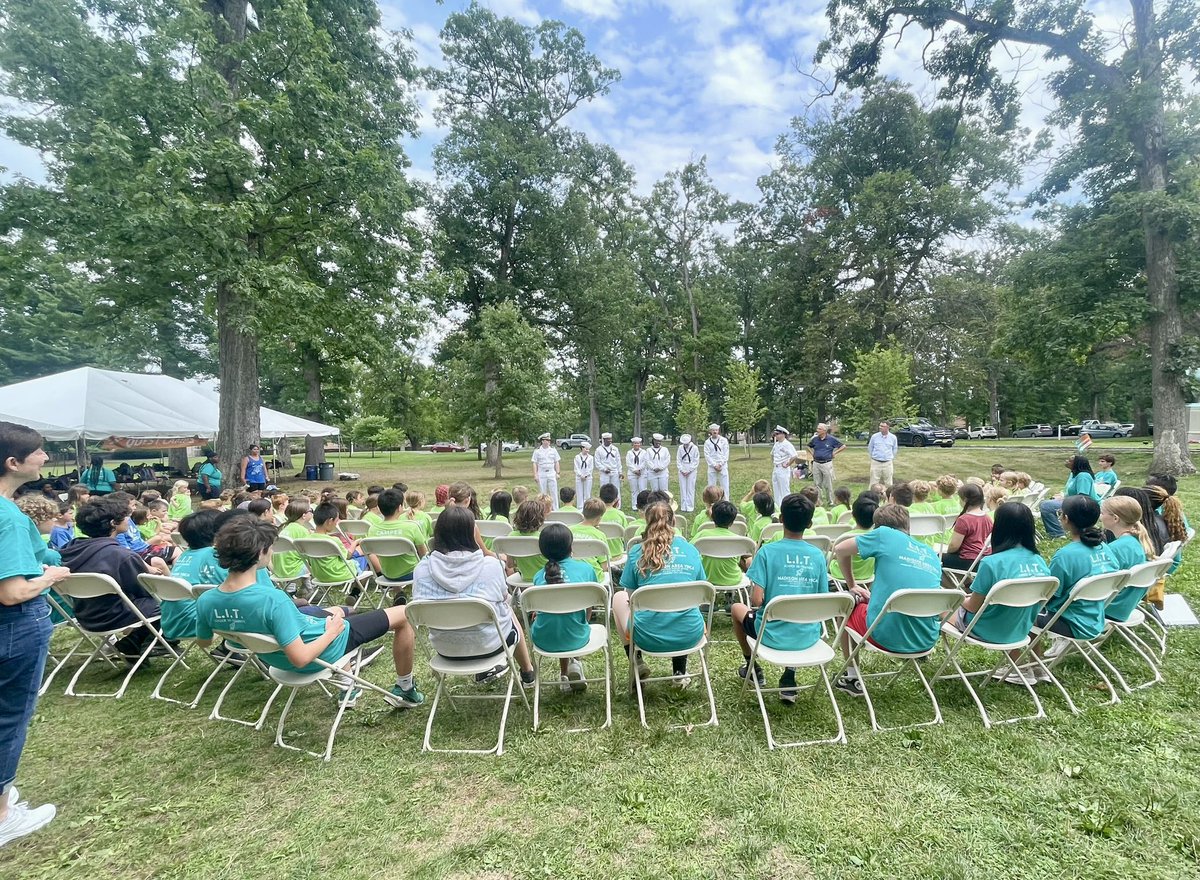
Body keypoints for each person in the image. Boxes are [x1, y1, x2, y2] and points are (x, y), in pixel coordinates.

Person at [195, 516, 424, 707]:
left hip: (277, 659)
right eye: (270, 547)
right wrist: (331, 632)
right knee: (403, 613)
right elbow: (301, 658)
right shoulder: (272, 600)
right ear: (259, 553)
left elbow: (204, 642)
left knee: (338, 611)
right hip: (323, 651)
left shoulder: (207, 600)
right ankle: (405, 688)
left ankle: (348, 686)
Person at [0, 422, 70, 847]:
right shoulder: (7, 517)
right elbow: (12, 591)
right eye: (40, 451)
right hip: (15, 623)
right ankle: (3, 815)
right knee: (11, 715)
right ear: (13, 462)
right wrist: (51, 576)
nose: (45, 458)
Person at [411, 506, 536, 685]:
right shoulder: (491, 566)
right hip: (490, 646)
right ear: (472, 533)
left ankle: (525, 672)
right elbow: (503, 598)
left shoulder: (422, 569)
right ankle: (527, 672)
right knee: (506, 611)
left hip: (445, 649)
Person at [832, 504, 943, 696]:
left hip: (886, 637)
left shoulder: (884, 535)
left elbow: (840, 549)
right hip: (925, 639)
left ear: (877, 527)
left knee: (846, 605)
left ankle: (852, 677)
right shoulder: (930, 553)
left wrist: (852, 585)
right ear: (908, 526)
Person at [731, 493, 828, 701]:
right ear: (809, 523)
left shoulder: (767, 552)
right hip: (807, 636)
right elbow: (822, 598)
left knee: (736, 609)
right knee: (796, 614)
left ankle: (752, 666)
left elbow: (757, 601)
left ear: (781, 519)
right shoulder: (818, 556)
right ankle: (789, 677)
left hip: (770, 634)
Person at [946, 502, 1052, 685]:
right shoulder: (1039, 561)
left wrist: (959, 597)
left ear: (999, 527)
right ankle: (1027, 667)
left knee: (942, 606)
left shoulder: (992, 563)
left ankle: (918, 658)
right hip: (1021, 629)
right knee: (1014, 608)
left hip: (988, 630)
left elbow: (973, 607)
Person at [59, 496, 167, 658]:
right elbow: (144, 591)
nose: (129, 520)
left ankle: (134, 643)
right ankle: (138, 642)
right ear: (113, 523)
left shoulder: (69, 550)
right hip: (116, 616)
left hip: (85, 615)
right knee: (168, 602)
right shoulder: (121, 555)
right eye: (126, 516)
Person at [613, 502, 707, 687]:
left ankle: (636, 660)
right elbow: (700, 592)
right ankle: (679, 673)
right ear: (673, 520)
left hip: (647, 635)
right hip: (690, 633)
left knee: (618, 598)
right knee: (683, 604)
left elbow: (632, 599)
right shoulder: (691, 550)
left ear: (646, 522)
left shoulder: (636, 552)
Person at [1039, 496, 1119, 649]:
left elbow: (1047, 595)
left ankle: (1030, 665)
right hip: (1096, 619)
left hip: (1070, 623)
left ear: (1065, 518)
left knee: (1021, 611)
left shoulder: (1065, 555)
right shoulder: (1106, 549)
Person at [531, 524, 593, 692]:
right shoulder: (586, 569)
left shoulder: (538, 577)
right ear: (570, 546)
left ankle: (564, 674)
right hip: (578, 636)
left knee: (557, 621)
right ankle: (575, 662)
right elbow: (589, 608)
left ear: (542, 550)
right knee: (572, 620)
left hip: (544, 639)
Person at [1100, 495, 1156, 623]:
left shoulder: (1115, 548)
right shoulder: (1137, 542)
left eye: (1102, 513)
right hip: (1125, 607)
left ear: (1115, 518)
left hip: (1108, 608)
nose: (1100, 516)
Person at [697, 500, 751, 597]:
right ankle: (730, 597)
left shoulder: (703, 535)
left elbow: (690, 550)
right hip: (733, 579)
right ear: (732, 522)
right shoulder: (739, 540)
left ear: (712, 517)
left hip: (707, 578)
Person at [941, 483, 993, 579]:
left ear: (965, 500)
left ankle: (953, 588)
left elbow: (954, 546)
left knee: (936, 559)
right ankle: (966, 583)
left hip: (968, 559)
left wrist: (947, 552)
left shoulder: (964, 519)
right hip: (982, 558)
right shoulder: (987, 517)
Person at [1040, 455, 1098, 538]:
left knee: (1046, 506)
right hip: (1073, 501)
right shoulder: (1073, 475)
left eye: (1070, 460)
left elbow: (1082, 496)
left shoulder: (1083, 476)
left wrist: (1064, 499)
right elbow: (1070, 492)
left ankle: (1058, 533)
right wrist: (1061, 496)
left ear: (1077, 463)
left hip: (1084, 505)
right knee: (1046, 503)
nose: (1066, 461)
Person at [569, 499, 610, 583]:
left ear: (583, 513)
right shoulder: (600, 535)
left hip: (571, 574)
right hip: (594, 577)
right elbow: (604, 566)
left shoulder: (569, 531)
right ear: (598, 519)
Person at [508, 500, 548, 583]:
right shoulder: (544, 537)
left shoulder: (511, 536)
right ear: (540, 518)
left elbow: (510, 564)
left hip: (523, 580)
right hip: (544, 579)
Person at [807, 423, 846, 507]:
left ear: (824, 431)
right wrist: (812, 453)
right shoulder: (815, 439)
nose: (817, 430)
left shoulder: (831, 439)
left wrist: (834, 453)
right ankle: (818, 501)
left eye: (819, 429)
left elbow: (843, 446)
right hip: (816, 463)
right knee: (817, 483)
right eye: (817, 428)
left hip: (827, 463)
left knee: (828, 484)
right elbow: (808, 446)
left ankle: (830, 501)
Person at [769, 426, 799, 507]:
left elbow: (794, 455)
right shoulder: (776, 444)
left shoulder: (787, 444)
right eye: (775, 434)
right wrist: (774, 463)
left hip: (783, 469)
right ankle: (778, 506)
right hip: (776, 468)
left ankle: (787, 505)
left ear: (783, 434)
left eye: (778, 434)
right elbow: (772, 454)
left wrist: (788, 464)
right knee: (776, 488)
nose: (776, 436)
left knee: (784, 489)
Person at [531, 434, 561, 510]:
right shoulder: (537, 451)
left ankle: (555, 509)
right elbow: (535, 463)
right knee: (542, 493)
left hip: (551, 472)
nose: (548, 442)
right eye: (547, 440)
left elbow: (556, 461)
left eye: (549, 440)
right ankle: (543, 508)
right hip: (542, 473)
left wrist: (557, 473)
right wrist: (535, 475)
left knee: (553, 492)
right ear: (542, 441)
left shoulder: (553, 450)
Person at [866, 421, 899, 487]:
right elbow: (870, 447)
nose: (880, 427)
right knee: (873, 483)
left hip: (888, 463)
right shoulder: (874, 436)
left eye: (882, 426)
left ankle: (888, 496)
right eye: (880, 426)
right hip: (876, 462)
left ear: (887, 427)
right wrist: (873, 457)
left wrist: (891, 457)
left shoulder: (893, 437)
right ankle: (872, 496)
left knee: (889, 483)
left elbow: (895, 448)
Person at [703, 423, 730, 498]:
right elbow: (707, 455)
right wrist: (714, 465)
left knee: (725, 485)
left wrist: (720, 464)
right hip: (712, 466)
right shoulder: (707, 442)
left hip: (722, 466)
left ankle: (726, 501)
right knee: (711, 486)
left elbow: (726, 453)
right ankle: (712, 501)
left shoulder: (723, 440)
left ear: (718, 431)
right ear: (710, 431)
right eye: (713, 430)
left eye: (716, 430)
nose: (715, 431)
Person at [596, 433, 622, 506]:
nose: (610, 441)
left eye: (610, 439)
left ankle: (617, 505)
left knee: (616, 488)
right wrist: (604, 469)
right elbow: (597, 462)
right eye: (608, 439)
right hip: (604, 472)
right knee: (604, 489)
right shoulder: (599, 450)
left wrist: (620, 472)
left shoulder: (615, 449)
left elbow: (618, 461)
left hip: (614, 471)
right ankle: (604, 504)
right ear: (604, 440)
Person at [675, 433, 699, 512]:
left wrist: (689, 470)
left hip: (691, 468)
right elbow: (678, 459)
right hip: (682, 467)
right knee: (683, 487)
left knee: (690, 488)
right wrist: (681, 469)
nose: (685, 445)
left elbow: (696, 460)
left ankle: (690, 506)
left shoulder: (694, 448)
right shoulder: (680, 448)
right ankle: (683, 506)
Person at [625, 437, 646, 510]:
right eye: (635, 443)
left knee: (642, 489)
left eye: (638, 443)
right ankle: (634, 505)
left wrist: (639, 469)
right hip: (632, 473)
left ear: (640, 444)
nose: (636, 444)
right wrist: (635, 470)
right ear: (632, 444)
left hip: (642, 473)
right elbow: (628, 463)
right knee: (634, 490)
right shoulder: (629, 453)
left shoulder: (644, 452)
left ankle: (643, 504)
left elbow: (645, 462)